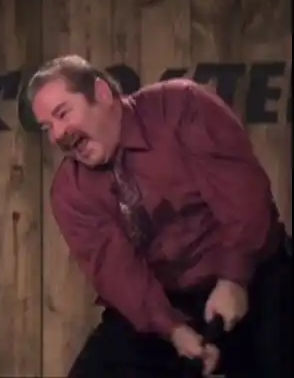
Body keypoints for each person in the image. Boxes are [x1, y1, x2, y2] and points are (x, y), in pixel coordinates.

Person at [27, 55, 291, 377]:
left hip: (253, 270)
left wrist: (234, 279)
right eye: (47, 127)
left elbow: (243, 196)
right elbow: (117, 273)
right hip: (167, 300)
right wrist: (174, 330)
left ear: (102, 93)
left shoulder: (181, 107)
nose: (58, 136)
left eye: (62, 114)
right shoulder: (71, 191)